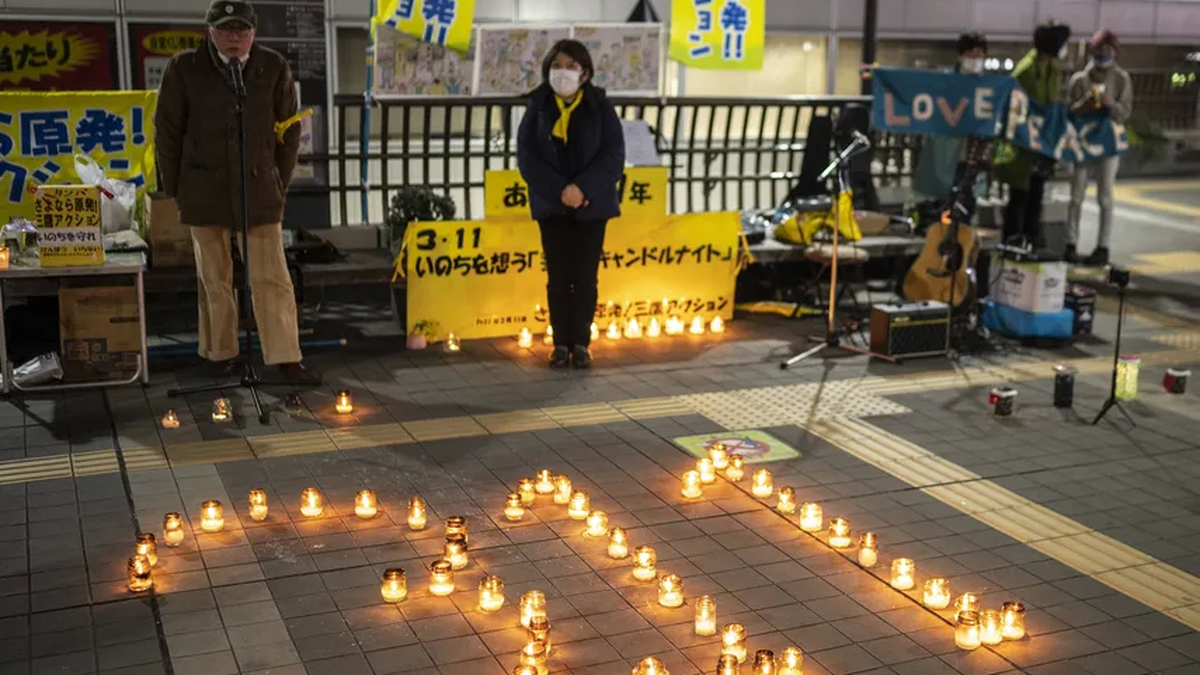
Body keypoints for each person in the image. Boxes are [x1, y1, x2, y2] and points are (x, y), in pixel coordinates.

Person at [155, 0, 315, 383]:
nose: (234, 37)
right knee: (213, 278)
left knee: (272, 277)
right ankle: (219, 354)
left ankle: (285, 357)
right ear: (209, 31)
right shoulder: (184, 67)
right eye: (225, 28)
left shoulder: (272, 67)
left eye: (241, 29)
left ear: (253, 32)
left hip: (259, 188)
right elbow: (167, 131)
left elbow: (290, 130)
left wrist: (278, 180)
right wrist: (175, 188)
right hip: (202, 188)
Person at [517, 40, 626, 370]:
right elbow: (527, 156)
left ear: (585, 73)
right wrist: (560, 190)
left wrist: (582, 188)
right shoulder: (538, 105)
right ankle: (560, 344)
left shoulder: (600, 106)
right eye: (556, 66)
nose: (562, 72)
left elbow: (613, 156)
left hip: (591, 206)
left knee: (586, 277)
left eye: (571, 66)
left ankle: (581, 343)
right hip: (552, 205)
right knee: (558, 276)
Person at [994, 20, 1071, 253]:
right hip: (1023, 143)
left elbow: (1052, 104)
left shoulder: (1052, 69)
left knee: (1036, 196)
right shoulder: (1026, 70)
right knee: (1019, 196)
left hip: (1042, 143)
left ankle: (1031, 243)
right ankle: (1012, 244)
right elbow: (1016, 106)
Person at [1065, 30, 1133, 266]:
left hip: (1108, 143)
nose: (1104, 53)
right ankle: (1070, 243)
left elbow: (1125, 113)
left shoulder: (1121, 78)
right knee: (1076, 196)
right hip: (1083, 143)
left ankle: (1102, 247)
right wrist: (1084, 104)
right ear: (1092, 50)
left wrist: (1110, 105)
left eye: (1109, 49)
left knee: (1105, 196)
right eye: (1100, 49)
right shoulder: (1079, 79)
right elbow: (1069, 111)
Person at [913, 32, 989, 218]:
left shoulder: (988, 86)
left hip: (975, 154)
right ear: (960, 56)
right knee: (945, 204)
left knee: (968, 203)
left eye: (979, 56)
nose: (975, 61)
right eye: (971, 56)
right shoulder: (946, 84)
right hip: (948, 154)